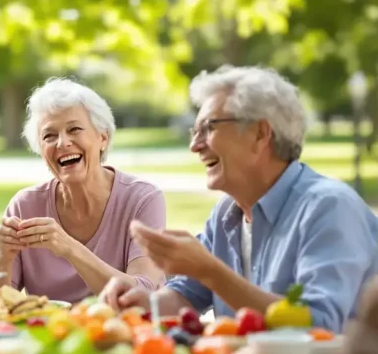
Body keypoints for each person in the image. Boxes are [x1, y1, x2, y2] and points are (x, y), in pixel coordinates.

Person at [98, 65, 378, 333]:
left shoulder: (330, 207)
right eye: (194, 132)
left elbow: (320, 325)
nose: (194, 146)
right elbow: (184, 296)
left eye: (209, 128)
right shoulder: (226, 214)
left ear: (260, 133)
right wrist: (138, 302)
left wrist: (212, 272)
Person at [0, 78, 166, 306]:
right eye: (49, 136)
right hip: (49, 337)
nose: (62, 143)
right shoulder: (26, 205)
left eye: (74, 129)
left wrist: (70, 249)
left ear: (102, 137)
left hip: (123, 335)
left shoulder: (142, 199)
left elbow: (144, 296)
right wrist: (5, 259)